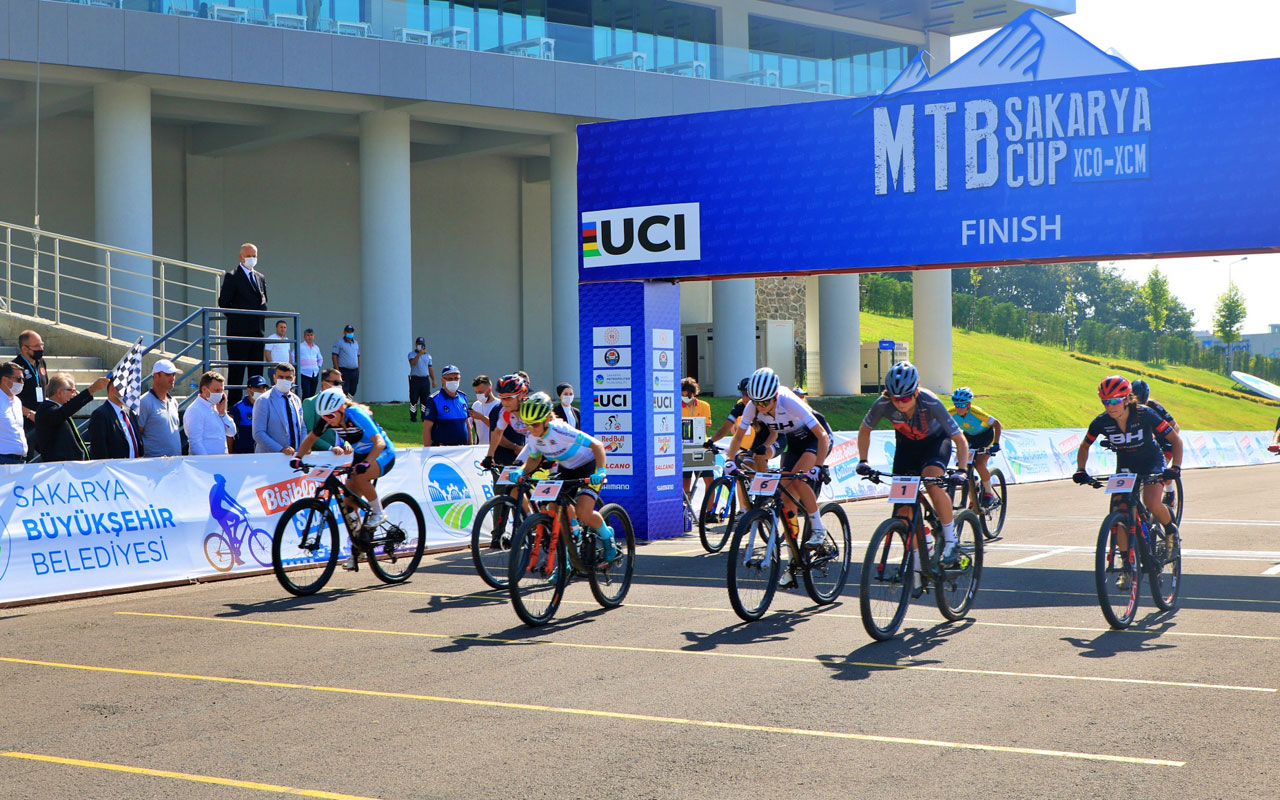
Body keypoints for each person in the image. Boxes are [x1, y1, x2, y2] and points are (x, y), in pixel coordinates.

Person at [855, 361, 968, 572]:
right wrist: (863, 461)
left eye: (905, 398)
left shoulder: (930, 401)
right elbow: (864, 430)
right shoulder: (882, 404)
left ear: (916, 392)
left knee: (931, 482)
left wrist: (962, 470)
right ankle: (918, 561)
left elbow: (960, 439)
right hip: (907, 449)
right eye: (895, 398)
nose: (900, 403)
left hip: (935, 444)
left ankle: (951, 539)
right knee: (902, 510)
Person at [1074, 376, 1183, 587]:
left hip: (1152, 460)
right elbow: (1085, 446)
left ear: (1126, 398)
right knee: (1120, 508)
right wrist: (1080, 470)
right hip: (1126, 464)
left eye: (1114, 401)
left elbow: (1175, 440)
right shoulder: (1101, 422)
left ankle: (1170, 530)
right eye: (1105, 402)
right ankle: (1127, 565)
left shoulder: (1144, 414)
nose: (1110, 406)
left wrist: (1175, 467)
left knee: (1151, 502)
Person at [725, 368, 832, 584]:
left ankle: (819, 529)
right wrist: (729, 460)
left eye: (765, 403)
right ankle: (794, 562)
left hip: (815, 439)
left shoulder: (788, 400)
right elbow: (738, 437)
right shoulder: (752, 406)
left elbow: (821, 435)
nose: (761, 407)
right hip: (794, 442)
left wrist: (818, 466)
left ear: (775, 396)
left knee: (799, 478)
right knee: (785, 501)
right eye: (757, 403)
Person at [515, 392, 619, 563]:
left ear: (547, 418)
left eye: (535, 424)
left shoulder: (560, 429)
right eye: (527, 424)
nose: (531, 428)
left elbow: (597, 445)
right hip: (567, 468)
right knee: (554, 507)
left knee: (583, 512)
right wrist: (522, 470)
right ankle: (569, 554)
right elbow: (534, 459)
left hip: (588, 466)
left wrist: (600, 471)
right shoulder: (534, 436)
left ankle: (607, 536)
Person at [297, 389, 393, 571]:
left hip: (382, 452)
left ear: (341, 408)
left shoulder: (355, 414)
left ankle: (379, 512)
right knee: (348, 505)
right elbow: (310, 439)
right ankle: (358, 549)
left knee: (361, 475)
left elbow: (379, 442)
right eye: (324, 416)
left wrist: (368, 463)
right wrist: (298, 457)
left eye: (331, 415)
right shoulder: (327, 419)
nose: (328, 419)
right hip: (362, 455)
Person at [217, 243, 269, 404]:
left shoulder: (260, 277)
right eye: (248, 256)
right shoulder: (232, 276)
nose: (252, 259)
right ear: (241, 257)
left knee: (257, 372)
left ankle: (257, 404)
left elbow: (263, 299)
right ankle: (234, 407)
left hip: (257, 332)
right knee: (237, 372)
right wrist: (240, 319)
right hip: (238, 333)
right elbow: (223, 302)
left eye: (254, 256)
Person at [35, 373, 110, 462]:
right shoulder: (46, 409)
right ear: (59, 392)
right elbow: (64, 412)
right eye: (72, 391)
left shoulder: (60, 411)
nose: (76, 394)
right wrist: (92, 389)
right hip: (61, 468)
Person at [948, 387, 1003, 508]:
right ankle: (974, 489)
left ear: (968, 404)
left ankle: (989, 493)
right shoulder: (950, 413)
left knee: (979, 464)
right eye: (956, 405)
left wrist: (996, 443)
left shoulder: (976, 412)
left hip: (985, 437)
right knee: (962, 468)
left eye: (962, 405)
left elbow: (997, 424)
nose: (959, 408)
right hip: (969, 437)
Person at [252, 363, 305, 455]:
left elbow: (301, 427)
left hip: (295, 456)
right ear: (274, 377)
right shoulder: (264, 400)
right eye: (280, 377)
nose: (284, 380)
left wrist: (304, 447)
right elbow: (258, 433)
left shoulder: (296, 400)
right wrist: (280, 449)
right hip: (271, 458)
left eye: (288, 378)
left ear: (294, 379)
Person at [10, 329, 47, 457]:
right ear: (25, 348)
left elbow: (45, 386)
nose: (41, 348)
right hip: (25, 422)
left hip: (41, 419)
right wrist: (30, 414)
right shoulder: (14, 368)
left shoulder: (41, 362)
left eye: (41, 344)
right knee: (29, 458)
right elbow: (9, 398)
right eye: (37, 346)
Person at [88, 380, 145, 460]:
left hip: (135, 467)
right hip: (115, 470)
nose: (128, 391)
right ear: (112, 388)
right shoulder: (100, 415)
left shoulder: (130, 413)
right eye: (125, 387)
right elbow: (99, 451)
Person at [184, 371, 237, 455]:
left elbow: (232, 432)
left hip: (220, 462)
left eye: (221, 391)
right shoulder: (195, 410)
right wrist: (207, 463)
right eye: (216, 390)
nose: (220, 394)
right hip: (207, 464)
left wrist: (223, 414)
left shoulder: (216, 407)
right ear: (204, 389)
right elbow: (195, 443)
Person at [483, 374, 529, 469]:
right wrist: (489, 456)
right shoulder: (505, 412)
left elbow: (539, 439)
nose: (505, 402)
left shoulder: (530, 411)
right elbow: (498, 432)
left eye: (509, 398)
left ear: (520, 395)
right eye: (502, 398)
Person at [138, 359, 182, 457]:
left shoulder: (173, 402)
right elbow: (137, 434)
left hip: (175, 463)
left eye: (174, 375)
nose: (172, 378)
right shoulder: (144, 402)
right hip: (154, 465)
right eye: (168, 375)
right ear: (156, 376)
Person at [680, 377, 715, 503]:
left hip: (702, 446)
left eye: (688, 396)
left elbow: (705, 427)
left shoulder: (704, 406)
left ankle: (710, 511)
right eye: (683, 396)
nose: (685, 398)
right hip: (683, 448)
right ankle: (686, 512)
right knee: (685, 481)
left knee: (709, 479)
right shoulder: (675, 406)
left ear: (694, 393)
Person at [208, 474, 252, 566]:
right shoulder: (218, 488)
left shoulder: (218, 488)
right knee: (236, 518)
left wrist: (240, 508)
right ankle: (234, 539)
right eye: (224, 483)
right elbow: (230, 501)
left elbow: (230, 500)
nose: (224, 485)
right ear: (221, 482)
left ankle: (237, 557)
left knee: (230, 532)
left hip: (217, 512)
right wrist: (240, 509)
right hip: (218, 511)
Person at [422, 364, 470, 447]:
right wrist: (427, 451)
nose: (453, 381)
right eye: (450, 379)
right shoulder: (434, 399)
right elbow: (427, 428)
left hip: (463, 449)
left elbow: (467, 425)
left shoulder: (463, 397)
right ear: (443, 380)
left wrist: (471, 447)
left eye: (456, 378)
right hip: (442, 449)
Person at [301, 369, 345, 453]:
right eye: (336, 383)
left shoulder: (343, 402)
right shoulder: (310, 402)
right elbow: (308, 431)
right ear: (324, 384)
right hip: (322, 455)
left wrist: (347, 444)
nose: (339, 386)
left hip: (344, 454)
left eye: (341, 383)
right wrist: (330, 448)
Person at [228, 375, 267, 454]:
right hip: (243, 455)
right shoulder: (238, 408)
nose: (262, 391)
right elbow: (229, 434)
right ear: (249, 390)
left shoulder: (268, 406)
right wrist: (230, 453)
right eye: (258, 388)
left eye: (263, 388)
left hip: (263, 454)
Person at [0, 363, 28, 465]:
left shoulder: (17, 401)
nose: (22, 382)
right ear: (5, 380)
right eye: (18, 379)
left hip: (20, 461)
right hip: (3, 460)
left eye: (23, 379)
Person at [407, 337, 434, 422]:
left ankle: (424, 417)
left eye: (421, 344)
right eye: (418, 344)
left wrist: (433, 379)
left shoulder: (428, 356)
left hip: (424, 380)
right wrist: (419, 354)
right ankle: (413, 417)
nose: (420, 345)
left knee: (425, 400)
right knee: (413, 400)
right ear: (416, 345)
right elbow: (413, 363)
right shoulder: (411, 354)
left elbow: (430, 368)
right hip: (415, 379)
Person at [332, 324, 361, 396]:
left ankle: (349, 403)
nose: (350, 333)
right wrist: (337, 370)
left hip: (354, 371)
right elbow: (334, 356)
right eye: (348, 332)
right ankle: (344, 404)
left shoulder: (356, 343)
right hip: (344, 370)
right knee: (344, 389)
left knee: (353, 390)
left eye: (351, 332)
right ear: (344, 332)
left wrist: (358, 369)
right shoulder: (339, 342)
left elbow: (358, 356)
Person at [470, 375, 498, 445]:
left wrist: (481, 417)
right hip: (479, 449)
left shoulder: (499, 405)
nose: (478, 395)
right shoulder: (476, 405)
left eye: (481, 392)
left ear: (490, 390)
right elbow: (468, 426)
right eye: (476, 392)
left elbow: (498, 428)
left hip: (496, 449)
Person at [297, 328, 323, 398]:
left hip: (314, 373)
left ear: (314, 336)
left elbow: (320, 359)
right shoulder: (300, 346)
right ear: (304, 337)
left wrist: (318, 367)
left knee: (312, 394)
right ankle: (304, 408)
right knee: (306, 393)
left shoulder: (316, 348)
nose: (310, 337)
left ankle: (310, 408)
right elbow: (293, 357)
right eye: (308, 335)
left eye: (311, 335)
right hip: (304, 373)